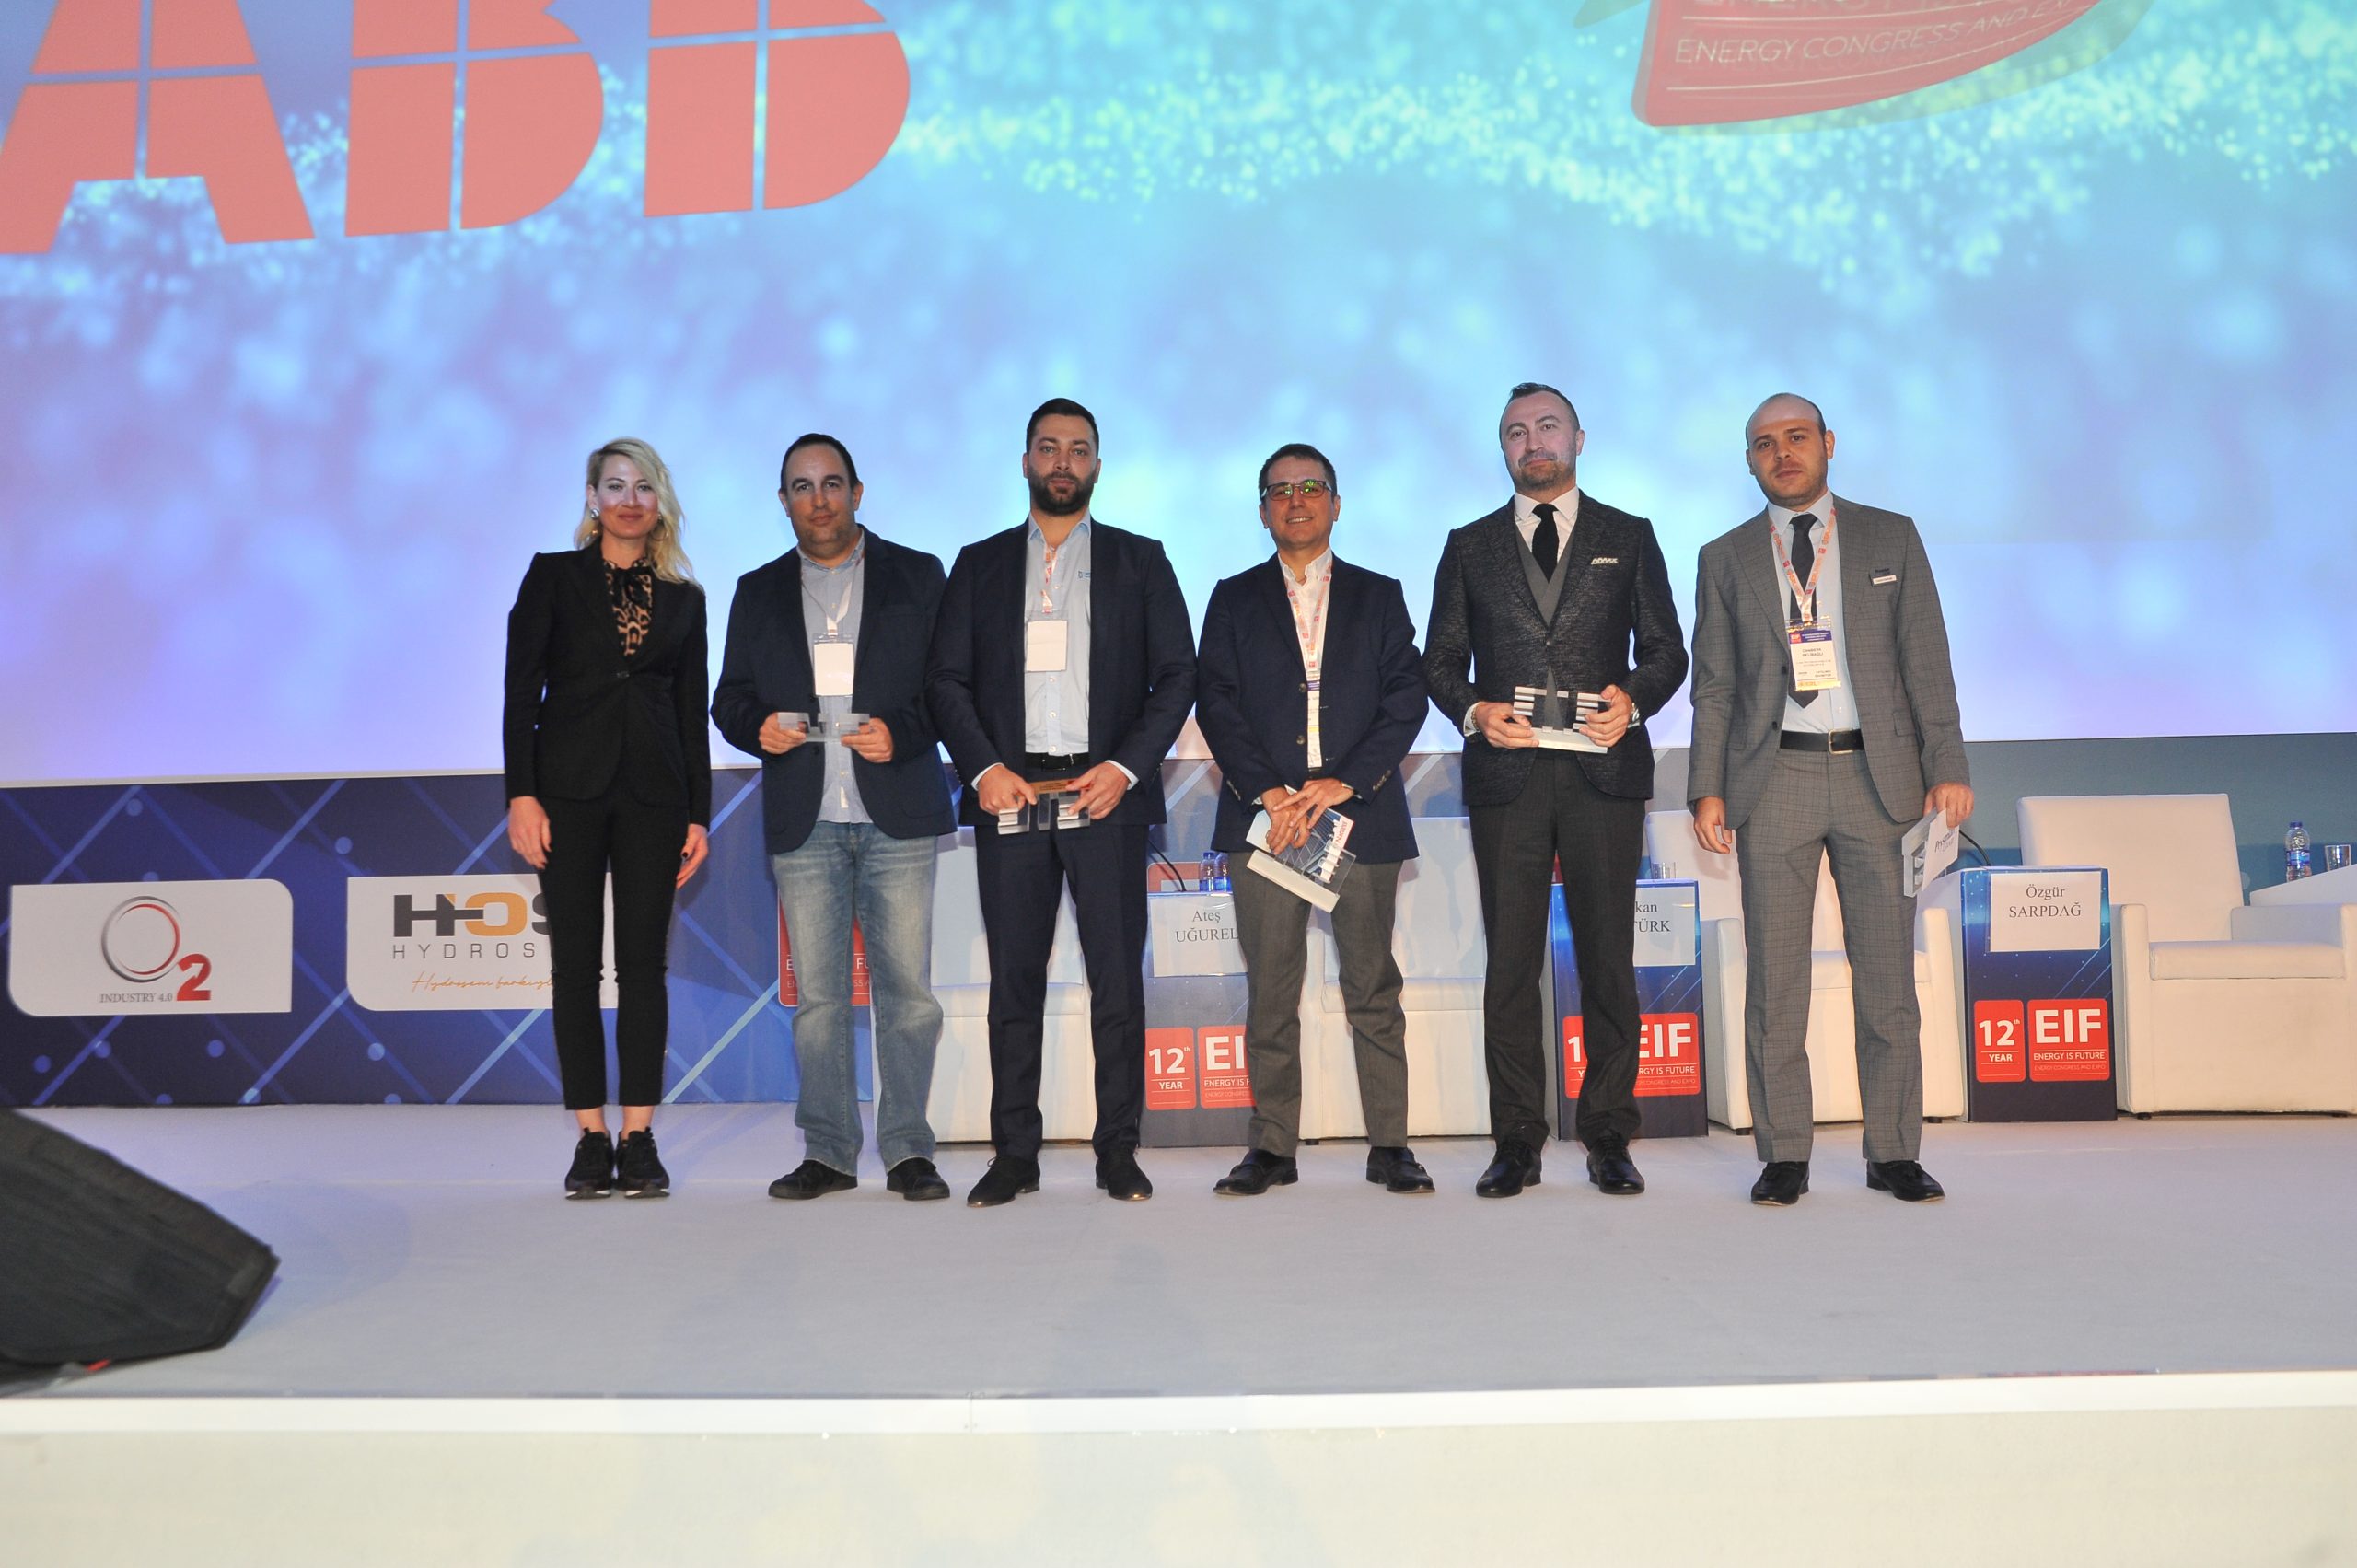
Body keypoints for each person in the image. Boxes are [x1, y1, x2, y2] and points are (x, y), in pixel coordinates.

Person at [1688, 393, 1971, 1207]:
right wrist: (1706, 787)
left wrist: (1947, 763)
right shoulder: (1724, 556)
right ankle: (1784, 1153)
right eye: (1764, 443)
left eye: (1797, 437)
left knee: (1887, 981)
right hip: (1773, 776)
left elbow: (1927, 661)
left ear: (1828, 443)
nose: (1783, 453)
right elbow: (1715, 685)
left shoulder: (1891, 536)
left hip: (1880, 781)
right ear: (1750, 461)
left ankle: (1894, 1152)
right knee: (1775, 983)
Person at [926, 398, 1197, 1207]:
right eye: (1048, 448)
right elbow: (945, 680)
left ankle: (1119, 1149)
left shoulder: (1140, 560)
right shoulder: (978, 564)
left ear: (1098, 466)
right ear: (1025, 462)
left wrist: (1124, 767)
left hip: (1104, 794)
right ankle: (1015, 1153)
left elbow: (1177, 675)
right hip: (1010, 793)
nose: (1063, 462)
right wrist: (982, 768)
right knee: (1014, 983)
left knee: (1117, 983)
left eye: (1079, 450)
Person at [1423, 383, 1689, 1199]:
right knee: (1511, 965)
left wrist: (1631, 700)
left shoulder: (1629, 535)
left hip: (1603, 772)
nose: (1532, 441)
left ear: (1579, 437)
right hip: (1507, 774)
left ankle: (1609, 1132)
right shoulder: (1467, 545)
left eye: (1547, 426)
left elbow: (1667, 650)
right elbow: (1440, 661)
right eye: (1516, 431)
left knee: (1608, 958)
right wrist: (1474, 710)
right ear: (1502, 448)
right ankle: (1517, 1138)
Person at [713, 434, 957, 1203]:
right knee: (818, 1001)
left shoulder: (919, 575)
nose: (818, 500)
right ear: (783, 500)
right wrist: (758, 726)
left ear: (857, 491)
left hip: (898, 813)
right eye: (801, 486)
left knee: (907, 995)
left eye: (831, 483)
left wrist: (904, 733)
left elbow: (952, 686)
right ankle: (828, 1151)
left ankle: (909, 1149)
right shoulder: (756, 590)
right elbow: (728, 698)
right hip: (805, 817)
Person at [1194, 443, 1434, 1197]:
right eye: (1279, 490)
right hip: (1267, 821)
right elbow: (1215, 702)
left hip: (1359, 816)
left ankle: (1390, 1144)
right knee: (1271, 992)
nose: (1295, 500)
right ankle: (1272, 1146)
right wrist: (1269, 791)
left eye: (1310, 487)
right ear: (1262, 510)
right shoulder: (1233, 598)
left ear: (1336, 502)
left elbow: (1406, 698)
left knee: (1373, 988)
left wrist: (1344, 782)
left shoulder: (1379, 594)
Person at [503, 437, 712, 1199]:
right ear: (592, 497)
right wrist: (521, 794)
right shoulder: (552, 576)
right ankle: (592, 1136)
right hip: (567, 794)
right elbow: (520, 694)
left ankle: (639, 1134)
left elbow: (690, 715)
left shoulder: (686, 599)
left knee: (644, 968)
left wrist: (699, 815)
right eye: (616, 485)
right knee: (575, 968)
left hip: (656, 798)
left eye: (644, 486)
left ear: (660, 502)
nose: (630, 499)